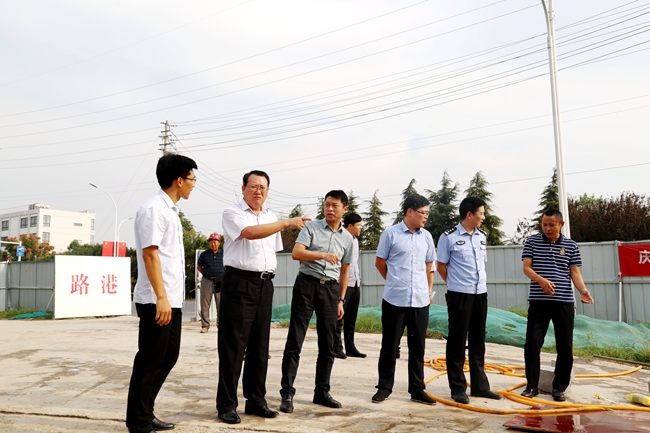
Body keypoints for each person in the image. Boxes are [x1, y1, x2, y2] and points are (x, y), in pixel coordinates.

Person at [216, 170, 310, 425]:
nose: (259, 191)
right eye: (254, 186)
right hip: (239, 283)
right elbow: (249, 233)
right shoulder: (233, 212)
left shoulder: (270, 217)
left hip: (264, 284)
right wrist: (286, 223)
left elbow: (272, 251)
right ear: (243, 188)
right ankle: (227, 404)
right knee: (234, 347)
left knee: (260, 347)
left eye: (263, 187)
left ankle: (256, 400)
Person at [126, 153, 197, 433]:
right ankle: (138, 422)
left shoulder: (171, 210)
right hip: (156, 299)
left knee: (168, 357)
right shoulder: (154, 209)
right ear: (179, 180)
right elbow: (150, 254)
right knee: (150, 360)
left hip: (171, 299)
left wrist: (170, 299)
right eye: (192, 179)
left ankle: (145, 411)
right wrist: (161, 298)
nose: (193, 184)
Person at [279, 190, 353, 413]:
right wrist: (322, 255)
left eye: (334, 205)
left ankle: (322, 391)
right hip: (306, 285)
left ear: (344, 209)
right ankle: (287, 393)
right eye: (327, 204)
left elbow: (345, 270)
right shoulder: (311, 228)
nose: (329, 209)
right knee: (295, 341)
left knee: (328, 344)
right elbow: (297, 253)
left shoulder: (348, 238)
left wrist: (341, 300)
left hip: (330, 291)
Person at [521, 209, 594, 401]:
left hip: (564, 302)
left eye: (551, 225)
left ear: (561, 225)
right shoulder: (532, 242)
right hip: (538, 302)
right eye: (544, 224)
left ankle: (559, 388)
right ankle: (532, 386)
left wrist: (583, 290)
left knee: (565, 345)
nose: (547, 228)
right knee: (532, 343)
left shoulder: (571, 245)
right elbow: (526, 268)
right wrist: (541, 281)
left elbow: (574, 272)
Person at [371, 194, 436, 406]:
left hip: (420, 300)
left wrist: (428, 292)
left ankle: (417, 389)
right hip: (395, 300)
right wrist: (394, 281)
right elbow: (380, 263)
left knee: (418, 347)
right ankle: (384, 387)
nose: (426, 217)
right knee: (390, 346)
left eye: (427, 213)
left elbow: (429, 266)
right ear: (410, 212)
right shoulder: (390, 234)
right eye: (422, 213)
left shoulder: (427, 237)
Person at [436, 197, 501, 405]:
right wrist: (455, 284)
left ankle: (480, 386)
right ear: (469, 214)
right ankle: (458, 388)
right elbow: (441, 266)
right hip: (459, 295)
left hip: (480, 294)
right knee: (457, 341)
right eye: (481, 213)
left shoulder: (482, 236)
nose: (484, 217)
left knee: (478, 340)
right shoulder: (449, 237)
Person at [333, 212, 366, 359]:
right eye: (359, 225)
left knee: (351, 319)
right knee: (338, 318)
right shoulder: (340, 239)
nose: (360, 228)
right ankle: (336, 347)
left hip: (355, 283)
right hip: (343, 285)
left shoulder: (355, 240)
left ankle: (350, 347)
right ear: (350, 226)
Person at [197, 232, 224, 333]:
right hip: (207, 280)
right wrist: (207, 274)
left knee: (220, 304)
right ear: (209, 243)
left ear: (219, 243)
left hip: (220, 281)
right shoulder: (204, 254)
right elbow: (199, 267)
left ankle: (220, 325)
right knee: (204, 304)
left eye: (215, 242)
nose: (213, 244)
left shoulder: (224, 254)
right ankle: (205, 326)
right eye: (211, 242)